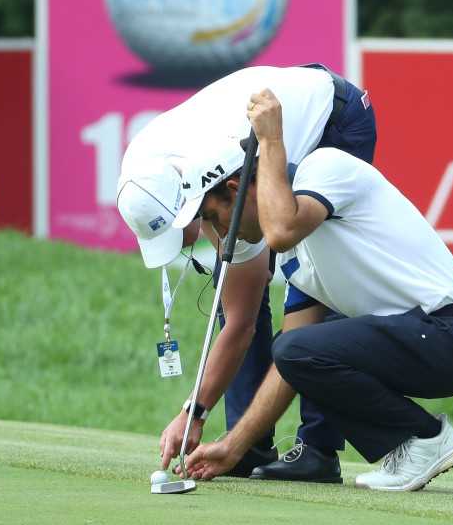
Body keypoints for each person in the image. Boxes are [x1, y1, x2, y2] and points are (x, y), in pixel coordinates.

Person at [176, 89, 453, 491]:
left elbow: (281, 229)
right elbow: (292, 363)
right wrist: (235, 445)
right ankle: (411, 444)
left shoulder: (324, 166)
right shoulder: (300, 259)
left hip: (452, 336)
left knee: (298, 348)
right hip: (418, 341)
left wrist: (271, 140)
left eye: (213, 217)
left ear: (236, 190)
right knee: (294, 351)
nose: (219, 235)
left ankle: (421, 439)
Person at [116, 64, 376, 482]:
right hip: (264, 132)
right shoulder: (144, 171)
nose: (186, 242)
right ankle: (249, 446)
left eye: (192, 223)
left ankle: (318, 448)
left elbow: (240, 325)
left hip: (333, 121)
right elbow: (240, 313)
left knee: (315, 284)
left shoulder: (225, 175)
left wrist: (193, 412)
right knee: (234, 291)